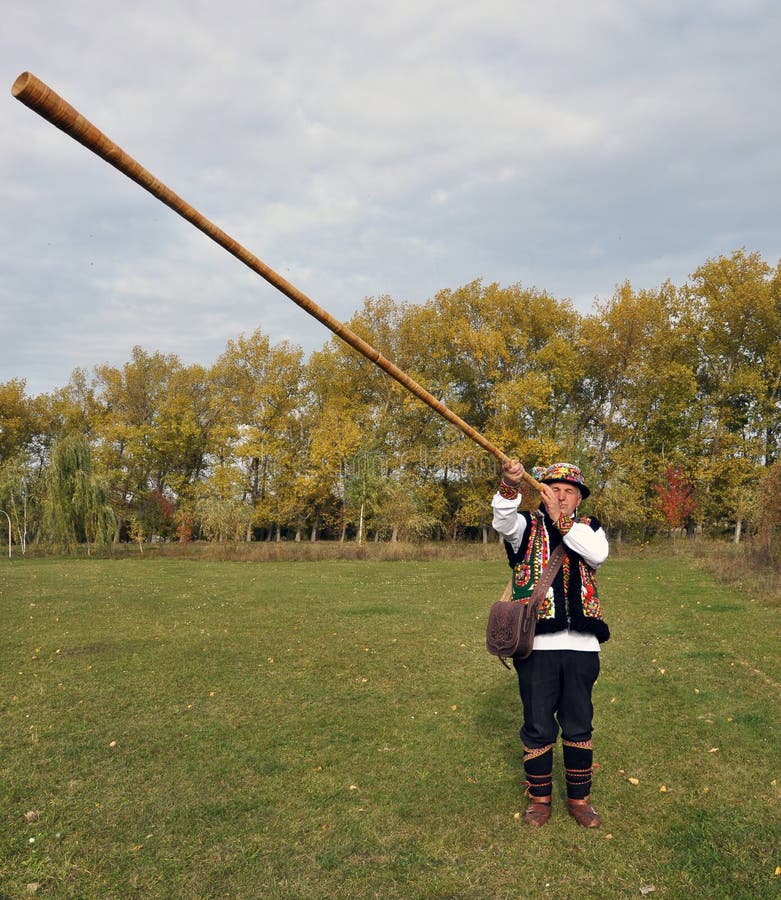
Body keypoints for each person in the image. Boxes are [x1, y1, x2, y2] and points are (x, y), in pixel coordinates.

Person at [491, 460, 610, 828]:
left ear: (578, 499)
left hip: (583, 647)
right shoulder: (525, 526)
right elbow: (502, 521)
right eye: (554, 489)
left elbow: (596, 554)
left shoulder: (591, 529)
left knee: (578, 723)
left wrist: (563, 523)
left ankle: (580, 799)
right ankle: (540, 799)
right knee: (538, 724)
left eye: (569, 491)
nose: (561, 495)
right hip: (537, 645)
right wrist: (509, 485)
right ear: (542, 493)